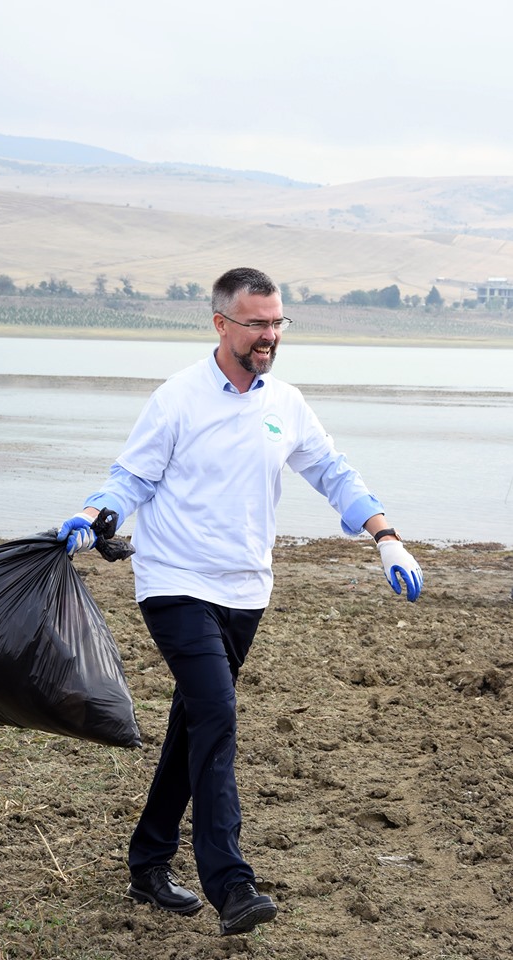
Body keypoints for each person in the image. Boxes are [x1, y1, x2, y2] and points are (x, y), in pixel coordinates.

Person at [57, 266, 423, 936]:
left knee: (196, 722)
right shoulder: (178, 398)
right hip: (175, 583)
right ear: (221, 323)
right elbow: (131, 476)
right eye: (257, 323)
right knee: (218, 715)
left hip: (246, 589)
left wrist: (386, 537)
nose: (269, 335)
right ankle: (231, 885)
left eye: (277, 323)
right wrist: (93, 515)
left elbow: (332, 471)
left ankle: (148, 862)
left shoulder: (286, 403)